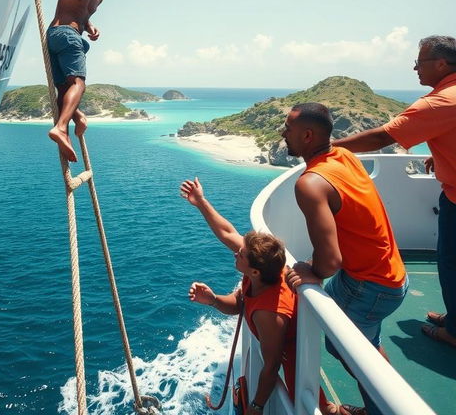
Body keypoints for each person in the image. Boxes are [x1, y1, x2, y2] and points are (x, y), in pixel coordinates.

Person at [281, 103, 408, 415]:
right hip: (392, 274)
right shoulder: (344, 157)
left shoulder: (310, 183)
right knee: (368, 347)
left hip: (369, 287)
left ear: (307, 135)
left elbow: (330, 262)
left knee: (347, 350)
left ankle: (386, 409)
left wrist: (310, 270)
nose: (282, 133)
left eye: (288, 128)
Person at [333, 35, 456, 350]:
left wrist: (328, 146)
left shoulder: (439, 101)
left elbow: (382, 137)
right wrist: (441, 153)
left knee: (452, 264)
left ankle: (454, 333)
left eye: (420, 61)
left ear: (441, 64)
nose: (415, 68)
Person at [181, 177, 335, 415]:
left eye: (240, 254)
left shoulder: (269, 313)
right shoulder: (261, 273)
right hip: (278, 341)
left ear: (254, 271)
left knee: (313, 406)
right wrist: (213, 299)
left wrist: (256, 405)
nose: (235, 253)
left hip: (292, 354)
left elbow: (271, 366)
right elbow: (227, 233)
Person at [28, 0, 118, 162]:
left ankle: (72, 121)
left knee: (63, 90)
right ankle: (61, 127)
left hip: (62, 39)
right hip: (64, 35)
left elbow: (82, 15)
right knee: (79, 83)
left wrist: (90, 27)